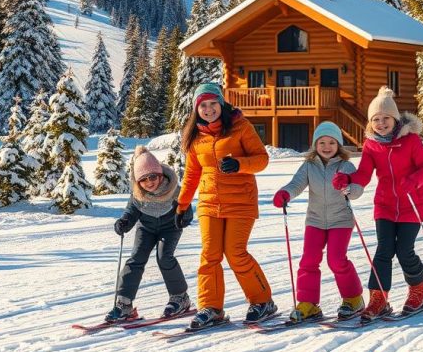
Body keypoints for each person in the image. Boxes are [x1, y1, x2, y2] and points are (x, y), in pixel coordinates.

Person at [176, 81, 277, 328]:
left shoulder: (240, 126)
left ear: (221, 104)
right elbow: (191, 174)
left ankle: (263, 301)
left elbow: (262, 159)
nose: (208, 109)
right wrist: (182, 205)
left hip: (241, 201)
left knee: (235, 253)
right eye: (203, 105)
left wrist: (239, 164)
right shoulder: (195, 136)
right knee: (209, 255)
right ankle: (211, 308)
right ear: (196, 109)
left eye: (213, 103)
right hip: (210, 203)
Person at [332, 86, 423, 322]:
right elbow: (364, 174)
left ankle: (420, 292)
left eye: (385, 118)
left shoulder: (411, 141)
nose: (381, 123)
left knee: (404, 250)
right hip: (385, 206)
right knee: (383, 251)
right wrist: (348, 179)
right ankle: (379, 299)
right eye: (376, 119)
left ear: (395, 119)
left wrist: (413, 181)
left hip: (411, 203)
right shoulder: (371, 145)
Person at [273, 121, 365, 321]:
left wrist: (347, 186)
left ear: (338, 145)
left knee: (336, 260)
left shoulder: (345, 166)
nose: (326, 147)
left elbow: (357, 190)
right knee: (309, 259)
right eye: (321, 142)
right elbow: (296, 184)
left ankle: (353, 299)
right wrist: (285, 193)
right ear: (315, 145)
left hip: (341, 220)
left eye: (331, 142)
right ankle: (308, 303)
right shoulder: (308, 166)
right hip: (315, 220)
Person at [105, 145, 193, 322]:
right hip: (146, 228)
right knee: (135, 259)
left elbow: (186, 205)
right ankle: (124, 303)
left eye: (153, 177)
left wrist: (185, 218)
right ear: (138, 182)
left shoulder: (174, 188)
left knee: (164, 257)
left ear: (160, 174)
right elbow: (131, 211)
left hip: (170, 227)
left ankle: (180, 297)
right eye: (143, 179)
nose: (149, 182)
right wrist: (123, 222)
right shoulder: (138, 194)